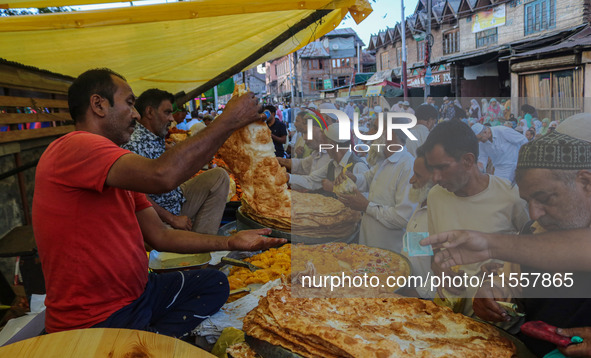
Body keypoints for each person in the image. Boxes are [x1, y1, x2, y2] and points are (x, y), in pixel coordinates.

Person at [32, 68, 285, 337]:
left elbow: (161, 235)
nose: (137, 114)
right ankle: (148, 341)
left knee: (215, 284)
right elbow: (162, 176)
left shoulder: (116, 169)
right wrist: (227, 121)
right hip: (99, 316)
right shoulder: (75, 146)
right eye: (129, 103)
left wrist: (230, 243)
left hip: (139, 293)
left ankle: (150, 337)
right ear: (99, 105)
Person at [421, 132, 591, 358]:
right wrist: (491, 294)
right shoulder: (533, 231)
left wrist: (489, 244)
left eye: (546, 198)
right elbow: (512, 289)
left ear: (586, 182)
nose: (534, 213)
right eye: (528, 200)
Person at [422, 119, 529, 316]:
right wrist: (439, 269)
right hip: (450, 313)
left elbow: (533, 252)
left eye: (442, 168)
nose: (435, 178)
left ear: (468, 161)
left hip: (494, 320)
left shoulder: (510, 197)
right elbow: (436, 248)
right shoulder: (435, 196)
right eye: (432, 169)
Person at [122, 89, 230, 235]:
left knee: (219, 176)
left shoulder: (153, 136)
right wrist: (172, 219)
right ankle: (198, 247)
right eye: (167, 112)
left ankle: (202, 242)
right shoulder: (134, 144)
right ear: (149, 112)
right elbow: (138, 197)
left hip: (176, 197)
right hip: (161, 215)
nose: (171, 119)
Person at [338, 127, 415, 253]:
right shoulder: (384, 160)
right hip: (369, 244)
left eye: (375, 129)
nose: (369, 133)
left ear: (390, 134)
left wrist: (366, 206)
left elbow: (402, 217)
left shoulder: (408, 166)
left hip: (389, 251)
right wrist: (352, 178)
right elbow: (368, 179)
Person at [402, 145, 435, 298]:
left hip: (426, 301)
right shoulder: (422, 201)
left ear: (437, 177)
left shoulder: (439, 214)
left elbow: (452, 272)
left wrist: (416, 293)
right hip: (409, 289)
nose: (411, 180)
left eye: (418, 176)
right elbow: (418, 253)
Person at [320, 123, 370, 194]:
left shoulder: (358, 166)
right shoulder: (332, 164)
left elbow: (365, 200)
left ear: (332, 145)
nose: (323, 147)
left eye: (324, 143)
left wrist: (334, 188)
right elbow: (312, 179)